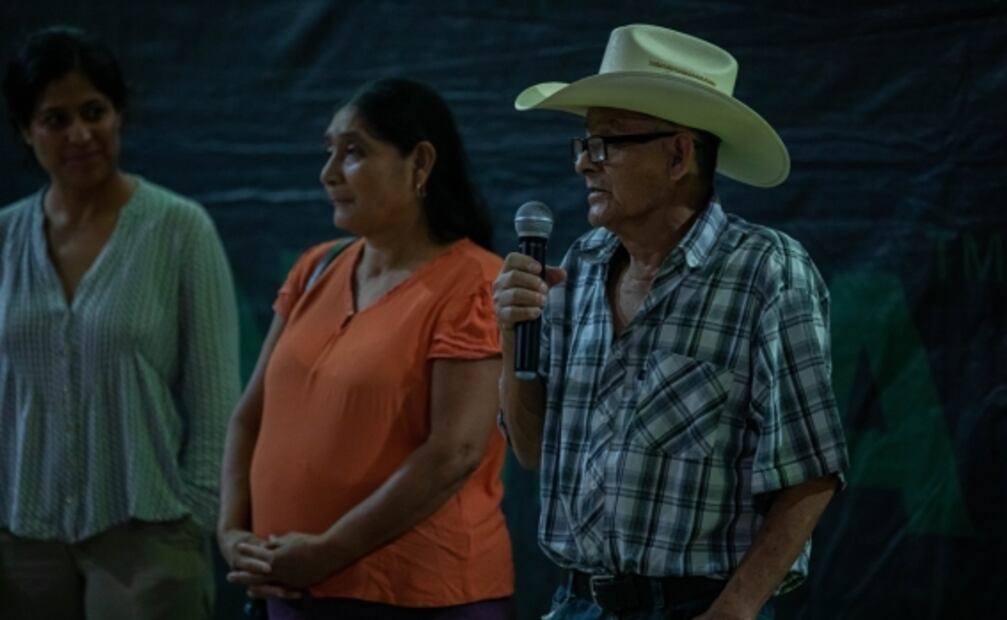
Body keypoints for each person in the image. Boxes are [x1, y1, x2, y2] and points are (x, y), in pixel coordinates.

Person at [494, 25, 849, 619]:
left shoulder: (764, 269)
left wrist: (732, 612)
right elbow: (532, 452)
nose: (584, 162)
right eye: (584, 143)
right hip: (574, 602)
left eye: (606, 143)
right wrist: (513, 338)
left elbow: (811, 473)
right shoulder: (580, 265)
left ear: (679, 154)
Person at [217, 77, 515, 619]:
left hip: (420, 600)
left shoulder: (474, 283)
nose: (328, 173)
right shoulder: (318, 266)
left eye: (353, 152)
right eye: (329, 151)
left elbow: (454, 453)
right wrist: (233, 532)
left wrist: (329, 552)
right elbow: (249, 417)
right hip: (292, 588)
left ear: (420, 164)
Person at [0, 26, 240, 620]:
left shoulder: (180, 229)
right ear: (26, 132)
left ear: (119, 115)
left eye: (94, 112)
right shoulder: (4, 238)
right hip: (18, 538)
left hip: (148, 539)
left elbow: (217, 399)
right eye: (55, 119)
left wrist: (193, 516)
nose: (80, 134)